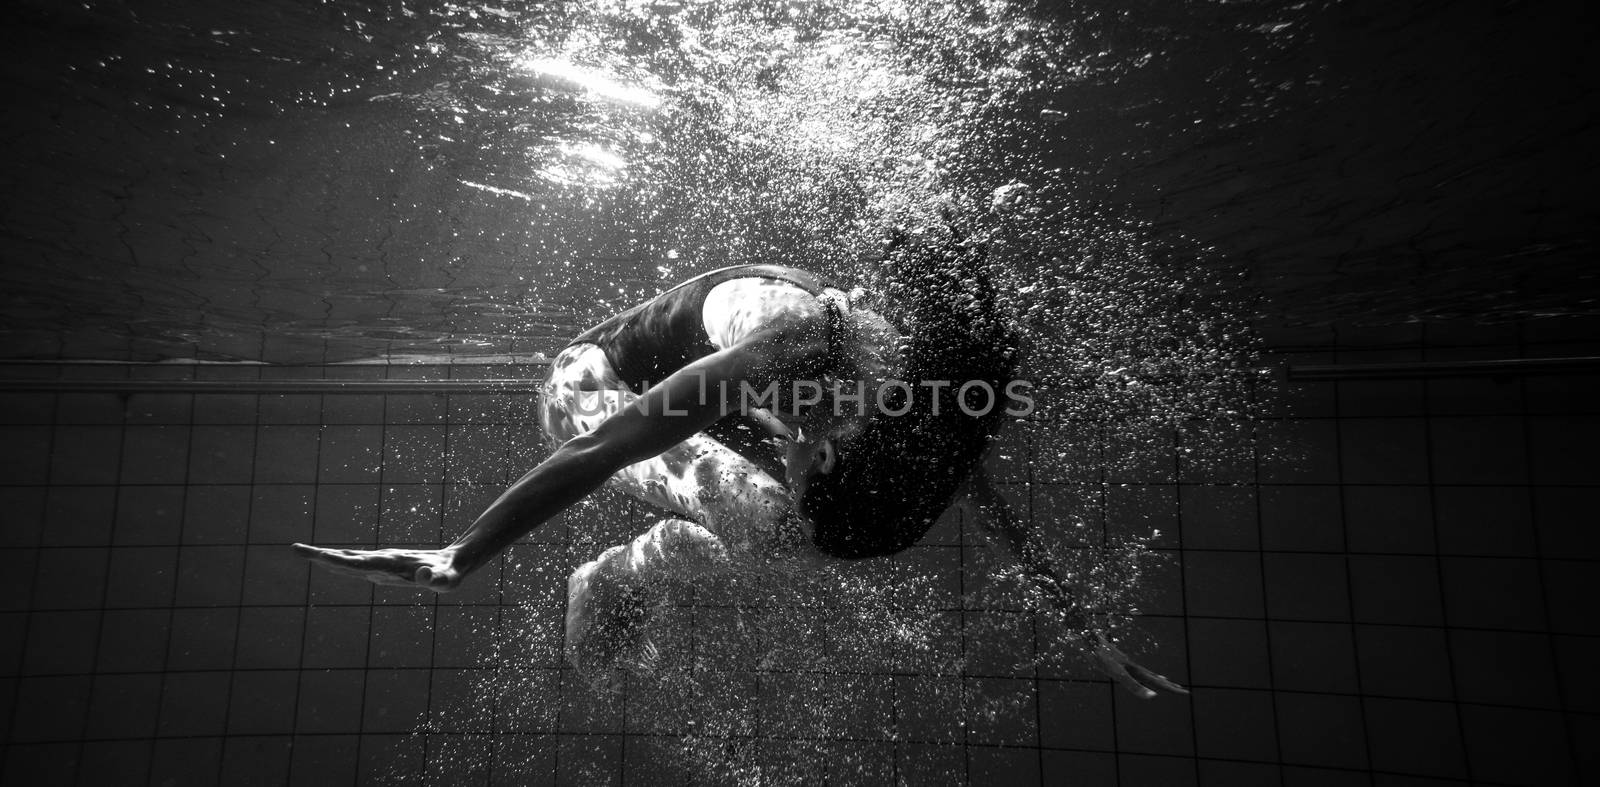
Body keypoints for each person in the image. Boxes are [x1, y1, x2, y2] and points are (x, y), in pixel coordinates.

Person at [294, 230, 1185, 698]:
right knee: (775, 530)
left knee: (791, 530)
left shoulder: (908, 396)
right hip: (590, 389)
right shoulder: (779, 351)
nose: (803, 468)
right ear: (832, 441)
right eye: (810, 462)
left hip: (746, 401)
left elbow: (967, 482)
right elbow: (606, 444)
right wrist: (466, 550)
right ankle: (611, 573)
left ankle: (658, 552)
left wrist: (1082, 623)